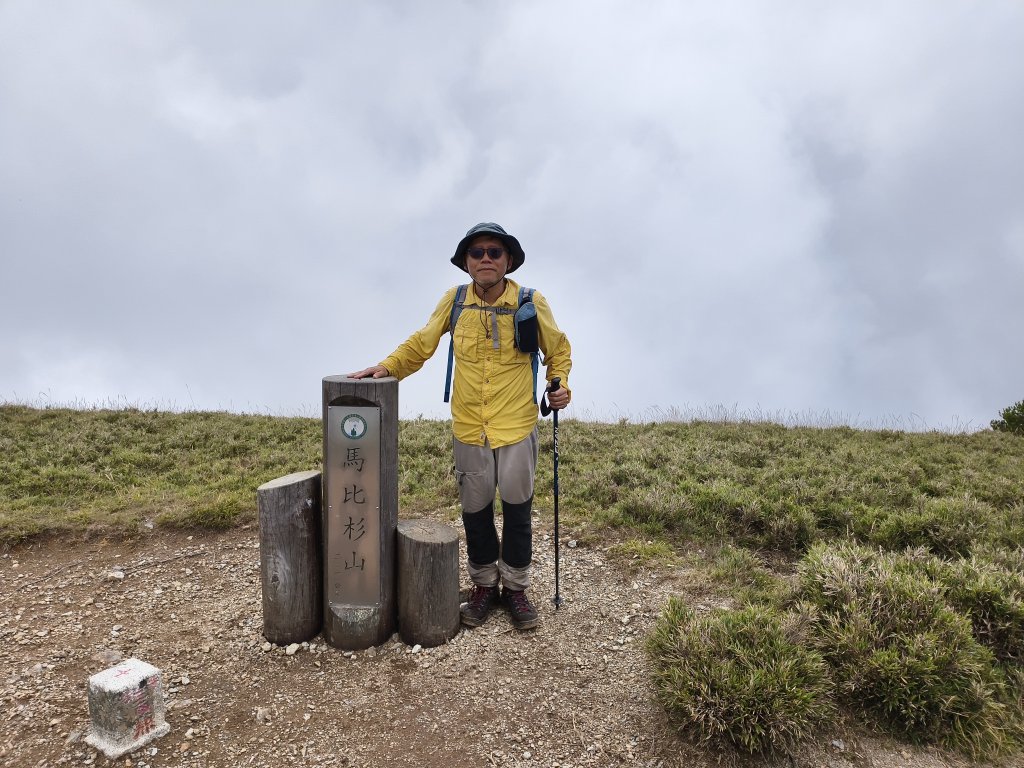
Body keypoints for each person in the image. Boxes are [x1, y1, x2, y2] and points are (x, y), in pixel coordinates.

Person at [349, 222, 572, 630]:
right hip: (469, 426)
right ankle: (485, 585)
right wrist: (387, 368)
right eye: (477, 252)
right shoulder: (454, 302)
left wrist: (560, 386)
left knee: (518, 511)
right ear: (466, 262)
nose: (485, 258)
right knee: (476, 510)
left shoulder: (530, 300)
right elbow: (422, 343)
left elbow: (557, 349)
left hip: (517, 424)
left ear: (507, 260)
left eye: (494, 252)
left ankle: (517, 589)